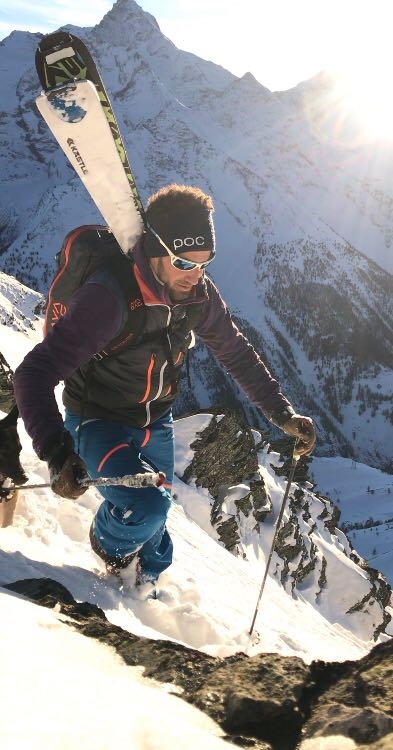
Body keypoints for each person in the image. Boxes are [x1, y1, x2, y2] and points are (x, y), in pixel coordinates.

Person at [14, 184, 316, 591]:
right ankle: (108, 555)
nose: (196, 276)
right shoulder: (109, 299)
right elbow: (34, 372)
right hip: (97, 419)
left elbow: (236, 352)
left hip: (157, 421)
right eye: (183, 263)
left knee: (156, 536)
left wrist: (281, 413)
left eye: (204, 263)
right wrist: (56, 450)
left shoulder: (197, 295)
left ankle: (144, 587)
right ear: (155, 249)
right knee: (148, 507)